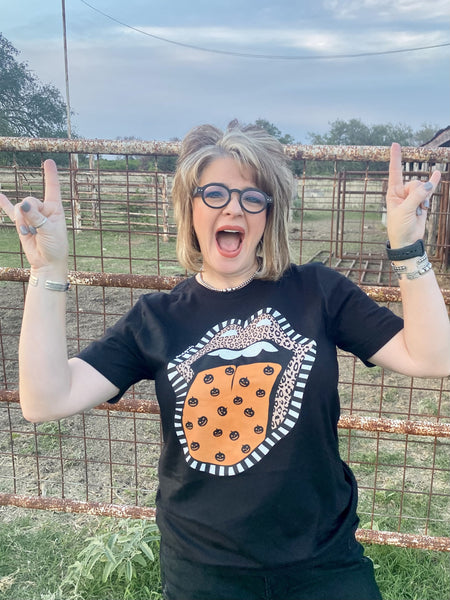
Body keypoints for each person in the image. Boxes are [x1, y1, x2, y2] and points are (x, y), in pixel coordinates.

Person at [1, 122, 449, 600]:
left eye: (252, 197)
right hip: (204, 571)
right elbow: (45, 400)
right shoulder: (156, 318)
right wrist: (46, 271)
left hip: (323, 562)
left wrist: (408, 248)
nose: (234, 206)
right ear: (190, 208)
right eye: (214, 193)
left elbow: (432, 356)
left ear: (268, 216)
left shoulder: (317, 290)